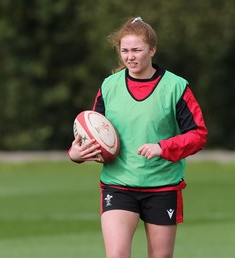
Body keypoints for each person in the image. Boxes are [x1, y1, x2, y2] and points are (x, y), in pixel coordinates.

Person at [68, 17, 207, 258]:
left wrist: (163, 147)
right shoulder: (109, 86)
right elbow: (94, 133)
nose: (130, 56)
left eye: (136, 50)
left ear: (152, 50)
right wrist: (76, 154)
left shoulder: (176, 86)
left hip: (162, 186)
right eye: (124, 51)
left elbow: (198, 135)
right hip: (118, 184)